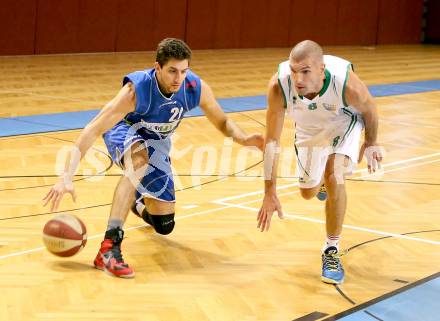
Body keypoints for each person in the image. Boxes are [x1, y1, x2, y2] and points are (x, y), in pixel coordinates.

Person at [43, 38, 263, 278]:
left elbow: (222, 120)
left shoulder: (193, 88)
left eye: (183, 71)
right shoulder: (136, 90)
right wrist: (66, 176)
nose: (178, 78)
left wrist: (243, 139)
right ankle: (109, 248)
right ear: (157, 68)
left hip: (156, 143)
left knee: (164, 225)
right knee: (139, 162)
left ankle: (136, 200)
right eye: (172, 71)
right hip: (123, 129)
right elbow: (92, 129)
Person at [258, 40, 383, 284]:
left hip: (342, 122)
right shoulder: (278, 86)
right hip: (308, 129)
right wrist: (269, 191)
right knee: (307, 193)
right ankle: (321, 183)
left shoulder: (346, 84)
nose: (298, 79)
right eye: (294, 71)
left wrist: (370, 142)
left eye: (305, 71)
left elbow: (370, 109)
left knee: (335, 175)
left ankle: (331, 249)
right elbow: (271, 141)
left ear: (321, 69)